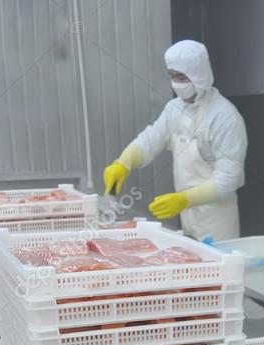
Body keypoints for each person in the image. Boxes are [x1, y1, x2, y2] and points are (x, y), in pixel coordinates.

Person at [103, 40, 247, 242]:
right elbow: (150, 140)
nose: (176, 84)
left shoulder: (226, 117)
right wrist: (123, 163)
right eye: (172, 76)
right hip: (188, 219)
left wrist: (184, 199)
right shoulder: (174, 109)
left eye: (181, 77)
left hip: (217, 223)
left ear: (199, 75)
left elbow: (227, 180)